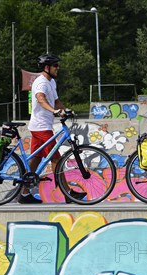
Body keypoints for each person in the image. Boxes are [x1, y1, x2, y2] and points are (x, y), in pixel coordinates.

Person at [20, 53, 86, 204]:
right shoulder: (41, 83)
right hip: (41, 127)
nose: (58, 68)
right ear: (46, 67)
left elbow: (56, 101)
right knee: (56, 158)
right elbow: (41, 99)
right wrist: (53, 111)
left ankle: (23, 194)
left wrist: (64, 110)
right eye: (55, 65)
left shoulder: (52, 82)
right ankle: (68, 193)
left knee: (36, 160)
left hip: (40, 126)